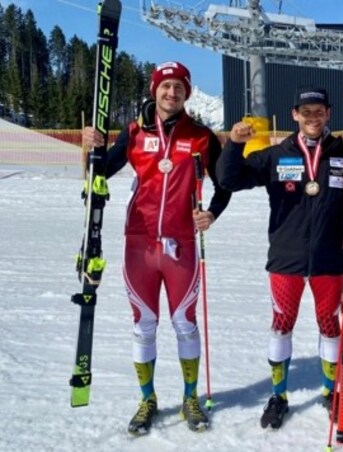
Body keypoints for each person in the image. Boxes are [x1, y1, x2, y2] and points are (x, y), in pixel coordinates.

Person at [82, 61, 232, 435]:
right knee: (144, 325)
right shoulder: (133, 132)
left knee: (184, 323)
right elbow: (100, 172)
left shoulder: (201, 136)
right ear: (155, 91)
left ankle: (190, 397)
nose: (171, 94)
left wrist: (211, 213)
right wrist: (93, 151)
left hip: (182, 244)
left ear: (187, 93)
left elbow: (225, 183)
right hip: (139, 243)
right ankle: (147, 399)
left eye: (179, 88)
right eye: (165, 87)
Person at [217, 86, 343, 429]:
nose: (312, 117)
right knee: (281, 324)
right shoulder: (277, 155)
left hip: (330, 258)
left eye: (318, 111)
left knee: (329, 325)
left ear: (328, 113)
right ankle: (279, 396)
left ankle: (330, 392)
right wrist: (234, 144)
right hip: (286, 259)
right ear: (295, 115)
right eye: (306, 112)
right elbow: (229, 179)